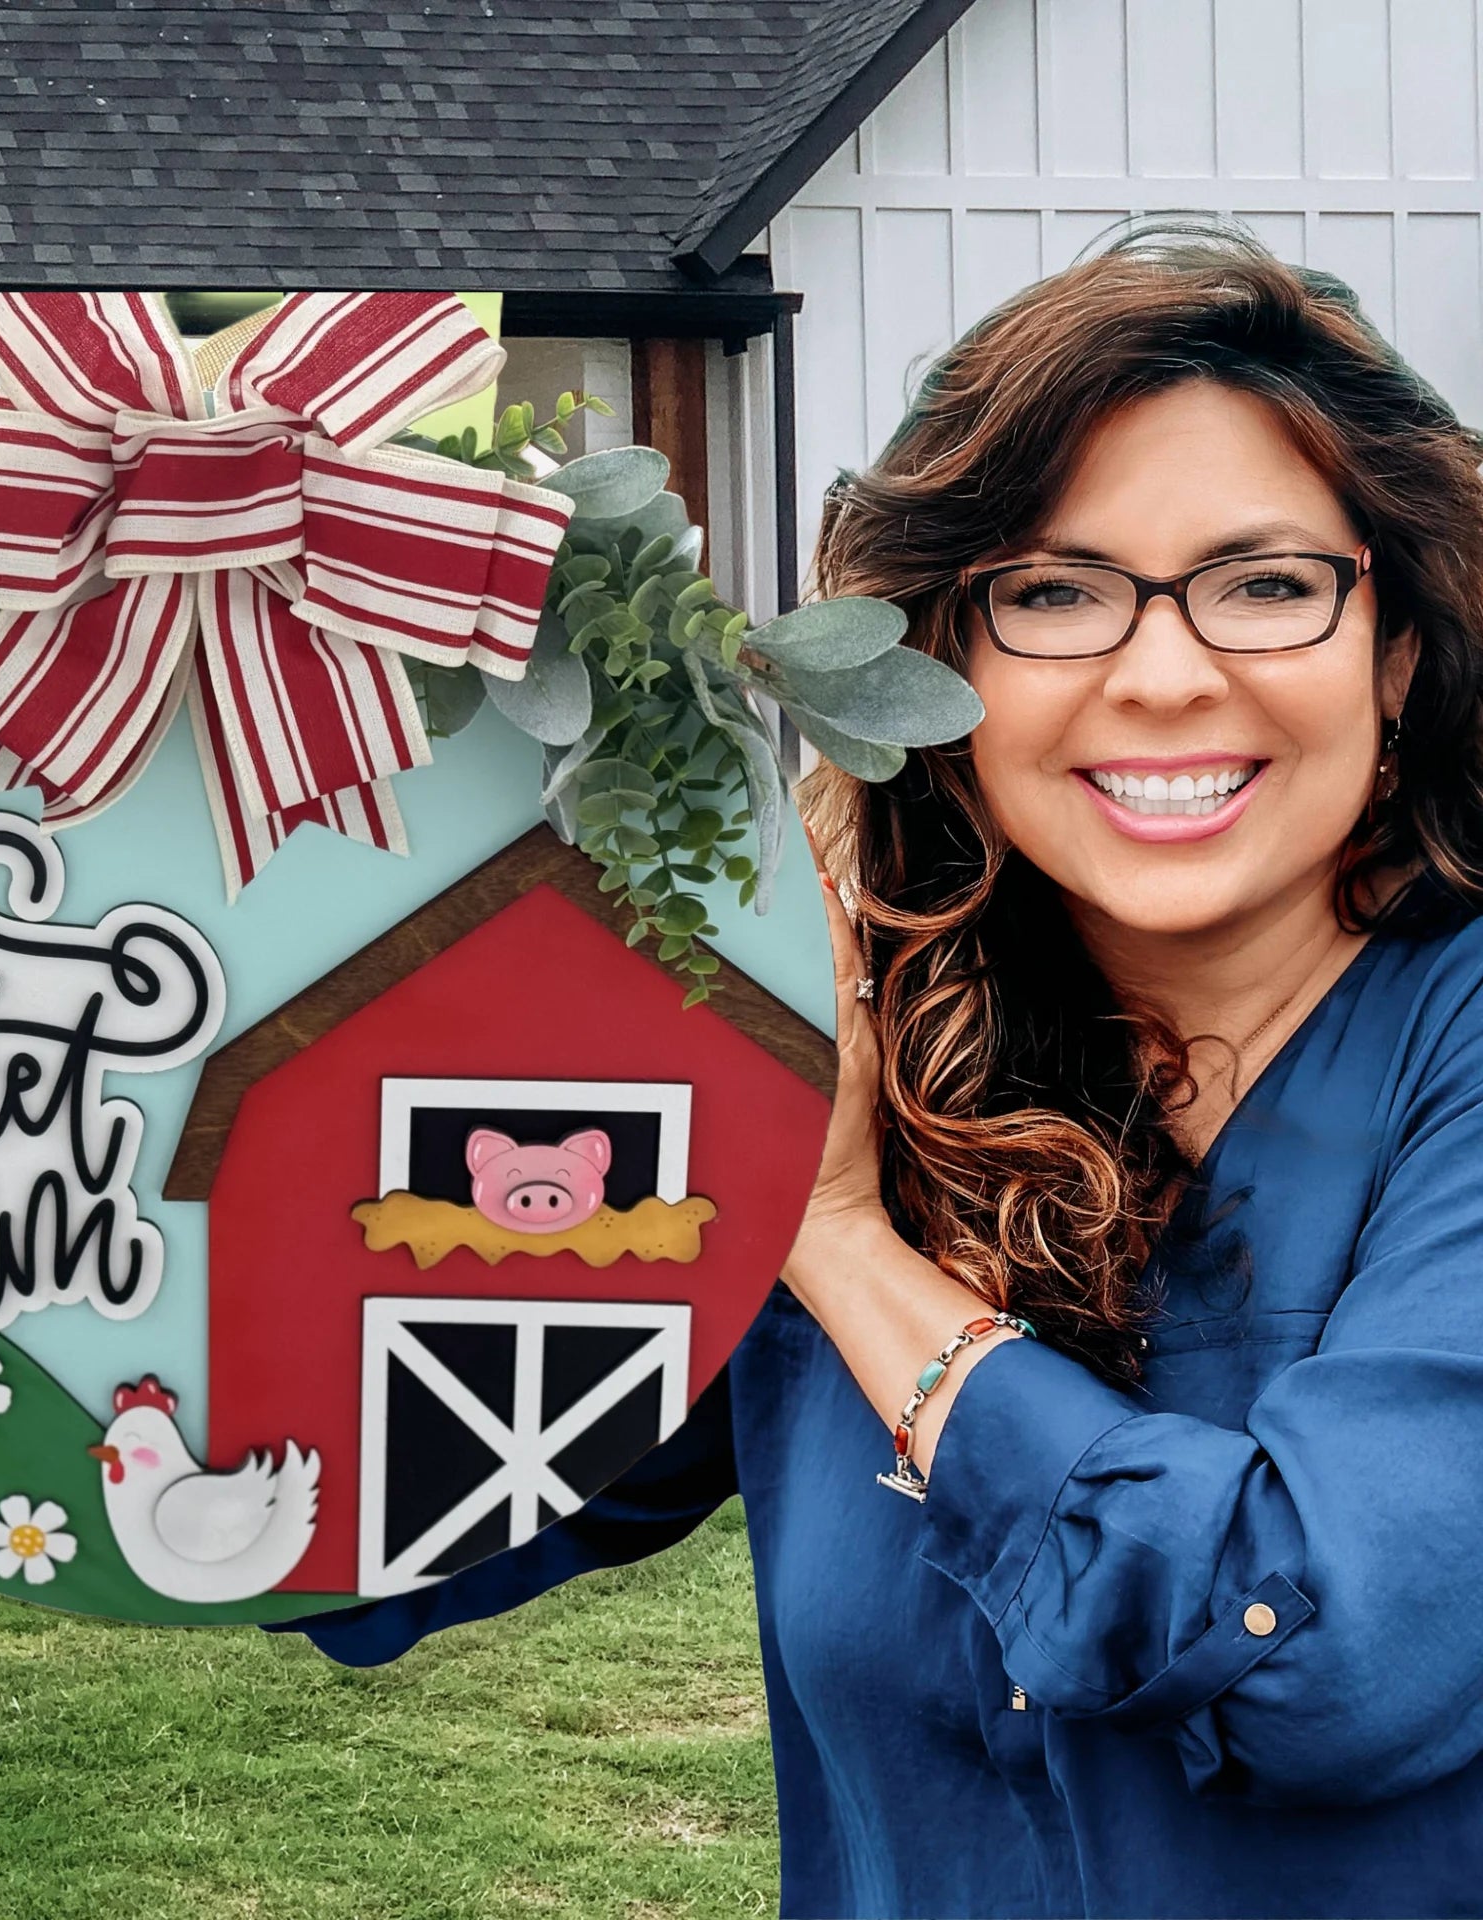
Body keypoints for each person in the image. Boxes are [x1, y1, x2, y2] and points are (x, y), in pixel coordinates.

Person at [276, 223, 1483, 1917]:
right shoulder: (871, 1051)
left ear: (1401, 650)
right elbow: (405, 1508)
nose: (1160, 673)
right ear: (940, 671)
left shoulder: (1452, 1061)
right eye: (1052, 593)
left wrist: (843, 1240)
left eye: (1267, 583)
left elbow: (1328, 1655)